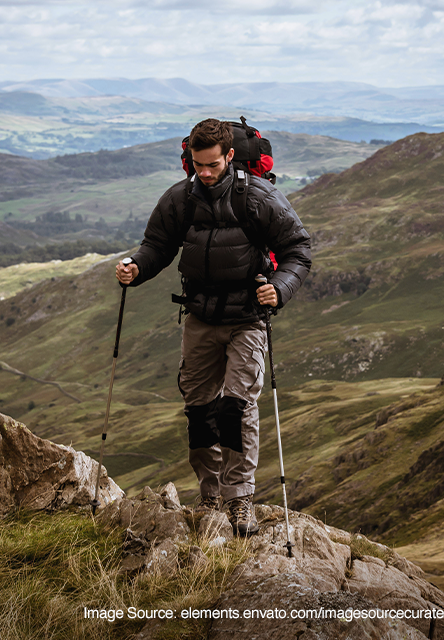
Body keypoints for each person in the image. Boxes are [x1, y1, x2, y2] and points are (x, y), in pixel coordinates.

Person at [116, 118, 311, 536]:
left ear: (229, 157)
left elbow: (298, 249)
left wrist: (280, 288)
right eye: (196, 165)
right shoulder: (180, 199)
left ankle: (239, 500)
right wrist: (136, 267)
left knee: (236, 408)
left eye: (212, 166)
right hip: (200, 317)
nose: (204, 173)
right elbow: (158, 247)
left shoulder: (258, 198)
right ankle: (209, 496)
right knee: (200, 409)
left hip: (247, 320)